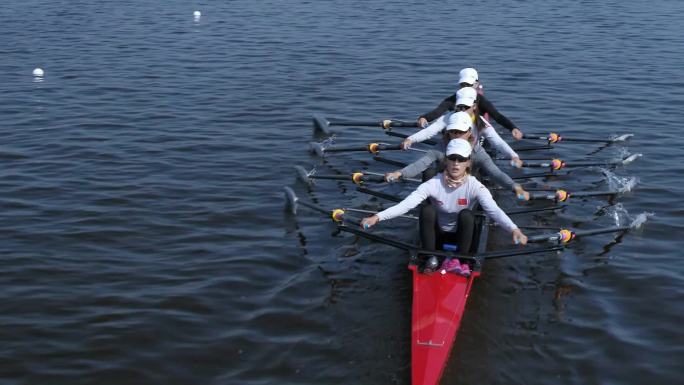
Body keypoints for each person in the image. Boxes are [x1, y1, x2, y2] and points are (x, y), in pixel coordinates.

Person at [361, 139, 528, 256]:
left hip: (463, 235)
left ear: (468, 163)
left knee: (467, 215)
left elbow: (494, 211)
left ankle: (462, 260)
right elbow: (406, 205)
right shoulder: (433, 184)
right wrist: (377, 217)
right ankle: (428, 257)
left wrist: (514, 229)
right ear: (446, 161)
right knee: (426, 210)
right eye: (452, 158)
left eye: (461, 159)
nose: (456, 163)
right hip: (436, 234)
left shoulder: (475, 186)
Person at [385, 111, 530, 200]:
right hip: (443, 187)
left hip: (467, 189)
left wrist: (515, 187)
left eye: (460, 132)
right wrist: (399, 173)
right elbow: (420, 164)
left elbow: (495, 173)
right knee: (428, 172)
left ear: (469, 132)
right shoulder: (440, 148)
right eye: (453, 131)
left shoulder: (478, 152)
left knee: (479, 178)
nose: (456, 135)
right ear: (448, 131)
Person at [402, 87, 524, 168]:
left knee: (484, 171)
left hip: (470, 156)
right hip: (449, 155)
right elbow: (429, 131)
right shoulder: (448, 117)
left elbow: (498, 142)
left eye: (466, 107)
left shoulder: (480, 122)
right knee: (428, 172)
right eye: (460, 107)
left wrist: (514, 156)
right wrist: (410, 139)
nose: (462, 110)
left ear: (474, 106)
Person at [416, 68, 524, 140]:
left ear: (476, 84)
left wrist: (513, 128)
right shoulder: (453, 99)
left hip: (476, 134)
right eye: (463, 84)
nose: (465, 87)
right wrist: (424, 118)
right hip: (457, 133)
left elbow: (497, 116)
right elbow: (438, 111)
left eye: (469, 84)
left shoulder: (481, 101)